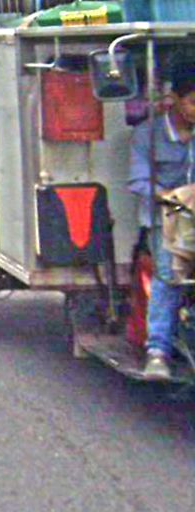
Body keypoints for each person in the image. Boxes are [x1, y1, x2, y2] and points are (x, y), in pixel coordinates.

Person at [128, 63, 195, 380]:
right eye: (193, 102)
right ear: (175, 100)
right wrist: (171, 196)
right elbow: (139, 182)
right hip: (165, 221)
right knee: (168, 277)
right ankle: (157, 352)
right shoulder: (148, 134)